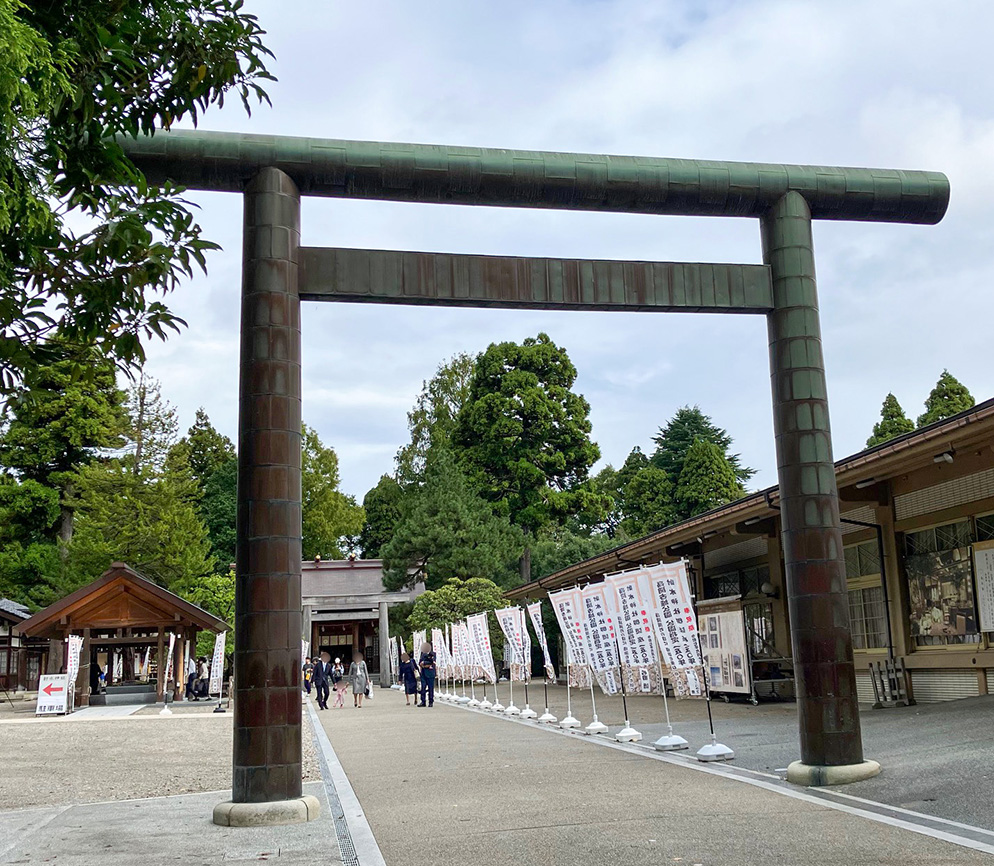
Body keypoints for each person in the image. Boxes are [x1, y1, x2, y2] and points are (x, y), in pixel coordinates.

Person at [418, 641, 436, 708]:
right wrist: (423, 664)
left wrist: (424, 663)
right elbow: (420, 663)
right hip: (423, 673)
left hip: (430, 674)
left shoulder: (433, 654)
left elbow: (432, 662)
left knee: (431, 688)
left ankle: (431, 702)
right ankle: (423, 701)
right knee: (423, 688)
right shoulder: (422, 654)